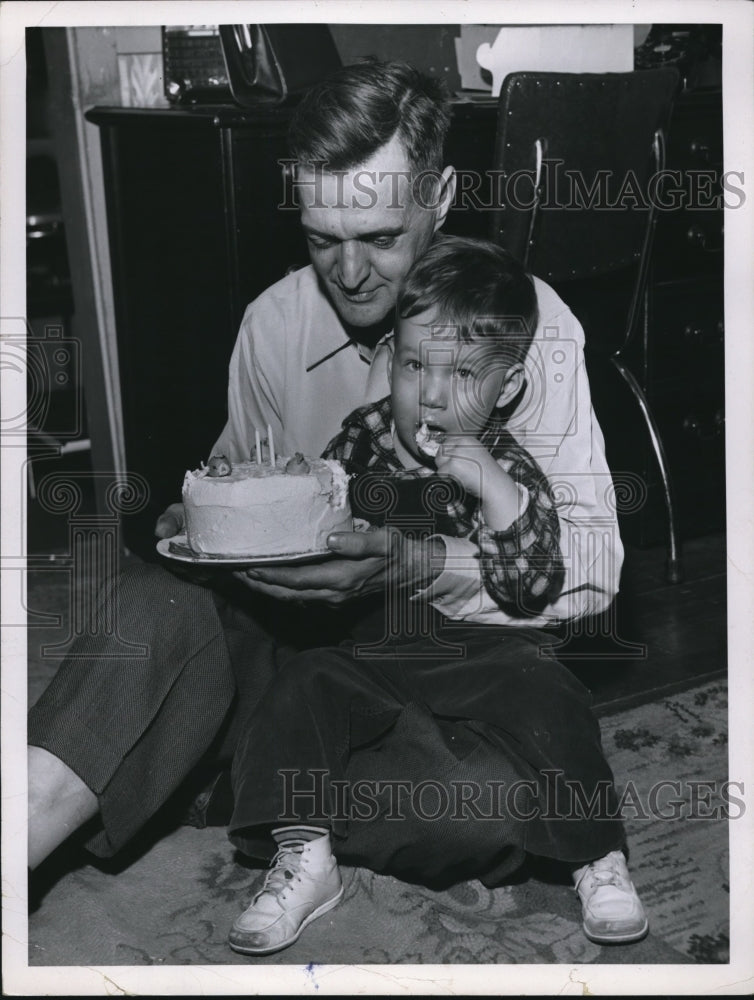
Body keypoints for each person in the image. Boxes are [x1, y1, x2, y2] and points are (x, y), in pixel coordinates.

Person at [27, 61, 628, 948]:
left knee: (483, 801)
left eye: (381, 236)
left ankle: (226, 781)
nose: (348, 272)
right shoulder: (273, 325)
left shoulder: (531, 330)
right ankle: (29, 821)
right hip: (298, 657)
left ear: (443, 197)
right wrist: (210, 522)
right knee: (159, 600)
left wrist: (422, 565)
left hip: (452, 673)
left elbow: (596, 574)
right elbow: (241, 505)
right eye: (320, 238)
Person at [225, 236, 646, 955]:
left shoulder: (507, 464)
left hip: (485, 653)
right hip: (373, 647)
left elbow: (533, 581)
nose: (434, 393)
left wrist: (497, 491)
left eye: (464, 376)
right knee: (302, 682)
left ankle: (594, 851)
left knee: (549, 692)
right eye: (417, 365)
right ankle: (304, 854)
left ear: (507, 389)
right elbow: (319, 523)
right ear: (390, 358)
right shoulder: (359, 441)